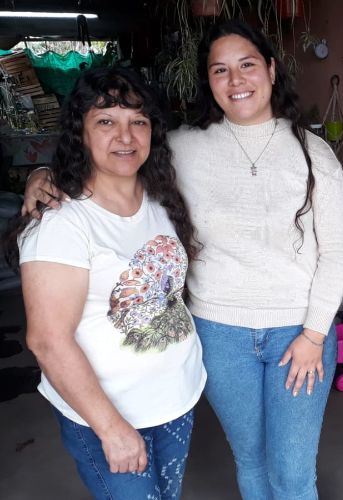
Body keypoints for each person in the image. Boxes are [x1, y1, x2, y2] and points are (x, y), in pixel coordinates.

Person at [24, 19, 343, 500]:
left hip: (299, 334)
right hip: (218, 334)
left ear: (272, 69)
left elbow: (338, 252)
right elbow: (113, 157)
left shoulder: (313, 153)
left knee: (293, 471)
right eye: (221, 70)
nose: (236, 81)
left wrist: (315, 333)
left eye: (247, 66)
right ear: (210, 82)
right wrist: (42, 173)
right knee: (251, 462)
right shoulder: (180, 147)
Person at [7, 67, 206, 498]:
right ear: (80, 132)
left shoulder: (160, 199)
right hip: (107, 415)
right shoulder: (61, 221)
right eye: (105, 121)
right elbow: (47, 340)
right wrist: (112, 428)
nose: (125, 136)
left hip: (175, 400)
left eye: (138, 121)